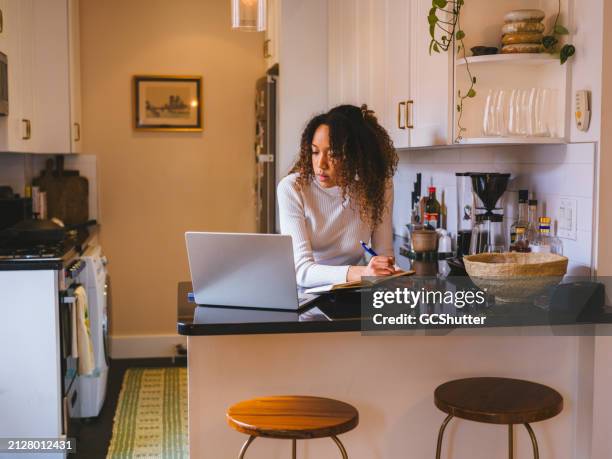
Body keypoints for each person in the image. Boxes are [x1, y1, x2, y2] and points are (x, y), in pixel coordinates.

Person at [277, 104, 399, 288]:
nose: (321, 164)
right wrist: (361, 273)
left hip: (351, 289)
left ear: (355, 156)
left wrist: (392, 273)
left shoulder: (378, 186)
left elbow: (383, 254)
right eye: (315, 152)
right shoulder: (292, 188)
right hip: (304, 293)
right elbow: (301, 270)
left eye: (333, 154)